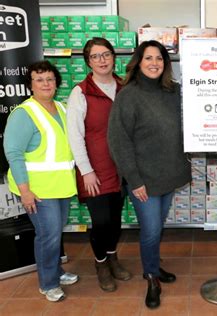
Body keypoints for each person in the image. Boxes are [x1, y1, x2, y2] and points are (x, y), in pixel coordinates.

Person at [108, 40, 191, 309]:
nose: (154, 63)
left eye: (159, 58)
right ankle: (152, 278)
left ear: (166, 64)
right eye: (148, 58)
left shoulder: (174, 91)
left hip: (169, 174)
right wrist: (134, 180)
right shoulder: (128, 95)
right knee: (151, 230)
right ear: (138, 62)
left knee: (158, 227)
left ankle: (153, 267)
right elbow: (119, 142)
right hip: (144, 179)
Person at [4, 61, 78, 302]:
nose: (46, 84)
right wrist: (25, 191)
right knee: (48, 234)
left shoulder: (62, 108)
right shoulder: (24, 113)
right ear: (30, 85)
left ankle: (55, 271)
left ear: (56, 83)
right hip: (36, 189)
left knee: (55, 232)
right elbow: (13, 153)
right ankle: (48, 283)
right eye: (39, 79)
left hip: (60, 185)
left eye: (50, 79)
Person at [66, 37, 132, 292]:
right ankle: (101, 263)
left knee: (115, 220)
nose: (102, 60)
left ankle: (113, 257)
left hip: (121, 169)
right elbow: (74, 135)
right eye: (95, 56)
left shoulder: (124, 88)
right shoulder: (80, 92)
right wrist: (87, 171)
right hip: (95, 169)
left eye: (106, 54)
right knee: (101, 221)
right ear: (88, 62)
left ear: (114, 58)